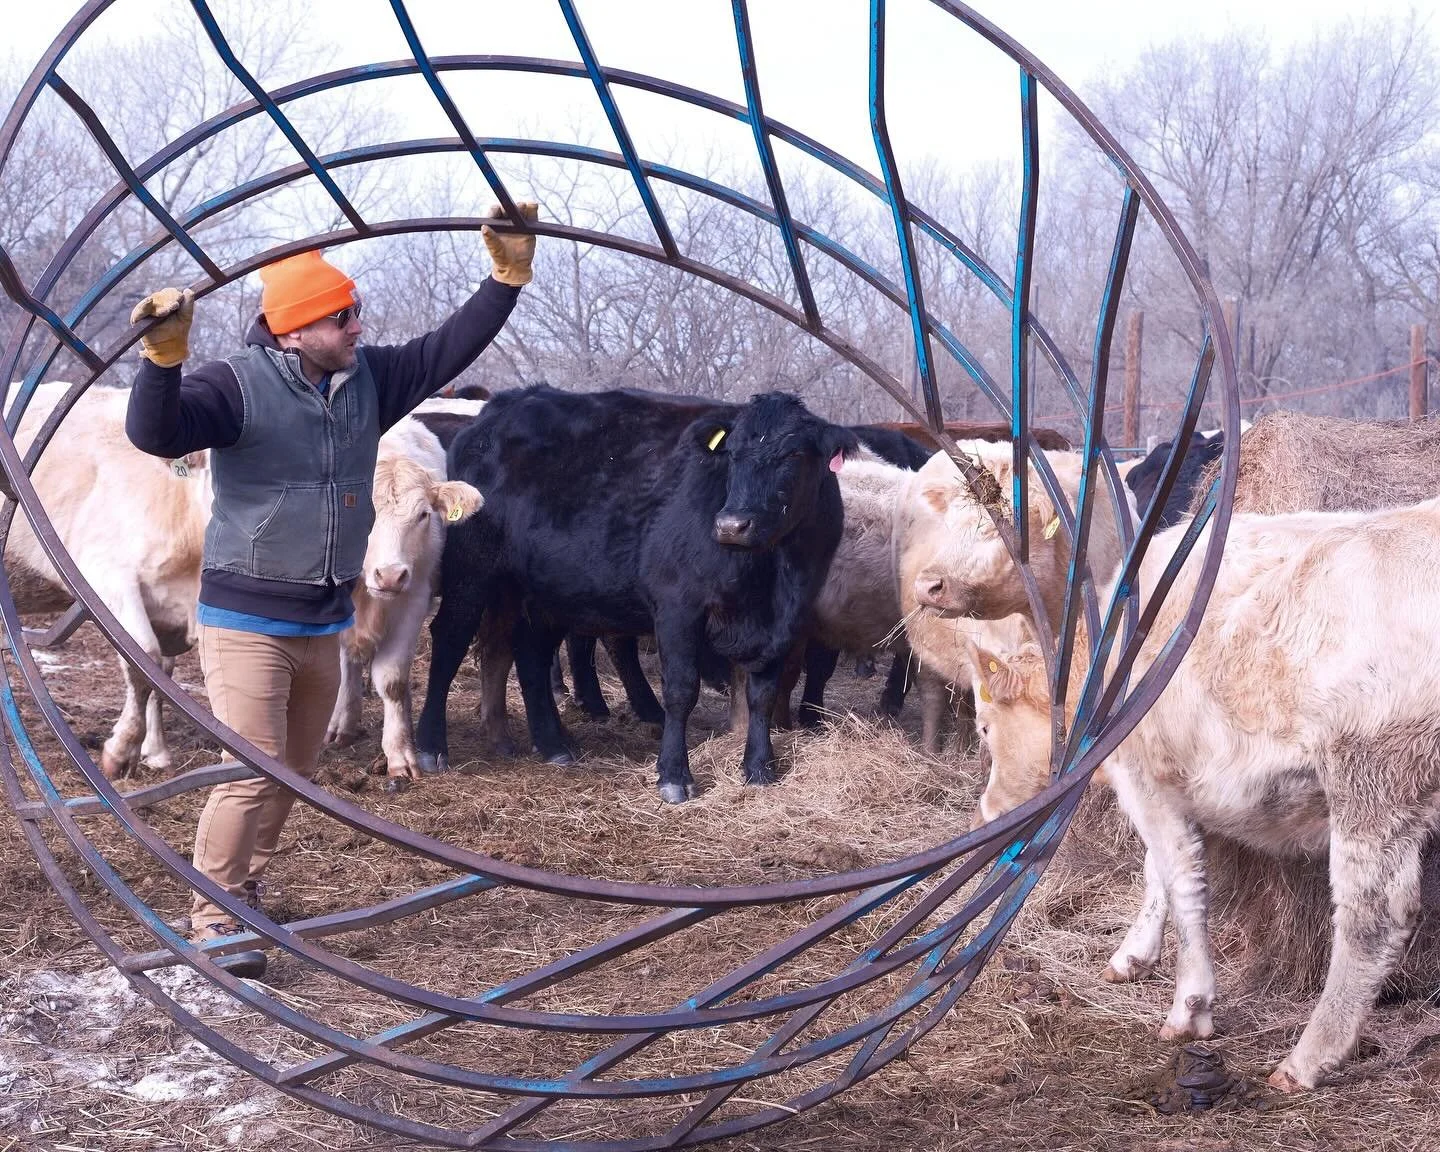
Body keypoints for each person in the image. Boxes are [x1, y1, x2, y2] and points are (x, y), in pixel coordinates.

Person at [125, 202, 539, 977]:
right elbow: (156, 434)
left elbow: (449, 345)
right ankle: (212, 918)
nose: (357, 326)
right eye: (341, 317)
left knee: (297, 771)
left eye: (355, 314)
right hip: (246, 615)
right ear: (294, 330)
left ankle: (245, 887)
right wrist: (162, 360)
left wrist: (506, 279)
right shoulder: (235, 386)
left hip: (324, 621)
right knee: (254, 769)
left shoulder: (365, 381)